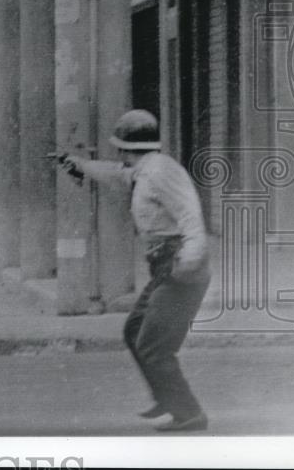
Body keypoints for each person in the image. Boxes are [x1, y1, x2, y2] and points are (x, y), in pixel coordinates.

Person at [58, 109, 210, 432]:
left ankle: (189, 413)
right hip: (164, 267)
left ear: (125, 147)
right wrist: (82, 165)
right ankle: (166, 397)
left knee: (154, 347)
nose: (119, 155)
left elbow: (192, 219)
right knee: (134, 331)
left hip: (180, 266)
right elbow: (117, 174)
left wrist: (189, 262)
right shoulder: (145, 169)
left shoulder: (161, 173)